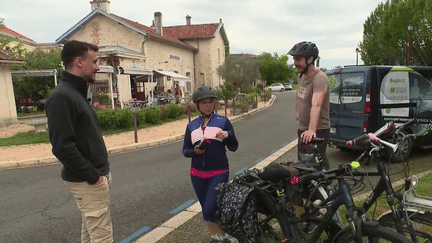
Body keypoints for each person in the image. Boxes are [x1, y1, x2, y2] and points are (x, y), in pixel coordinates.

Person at [45, 40, 113, 243]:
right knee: (102, 238)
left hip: (92, 178)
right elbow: (62, 146)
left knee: (91, 234)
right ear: (79, 62)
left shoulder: (76, 93)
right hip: (87, 180)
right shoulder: (62, 96)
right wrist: (94, 177)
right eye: (95, 61)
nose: (98, 66)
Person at [182, 86, 239, 243]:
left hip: (219, 172)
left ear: (215, 104)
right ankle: (216, 237)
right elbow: (185, 151)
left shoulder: (223, 121)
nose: (208, 105)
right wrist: (195, 151)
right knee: (208, 207)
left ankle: (225, 237)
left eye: (211, 102)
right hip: (197, 174)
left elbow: (234, 147)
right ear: (197, 105)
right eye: (204, 103)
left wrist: (228, 135)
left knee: (209, 208)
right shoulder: (191, 126)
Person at [288, 41, 331, 169]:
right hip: (302, 129)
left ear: (310, 59)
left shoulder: (319, 78)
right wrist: (298, 112)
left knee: (315, 166)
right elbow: (299, 95)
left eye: (299, 59)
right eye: (294, 59)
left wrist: (312, 130)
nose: (295, 63)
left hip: (317, 130)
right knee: (302, 163)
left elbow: (316, 105)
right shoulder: (301, 75)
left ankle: (326, 188)